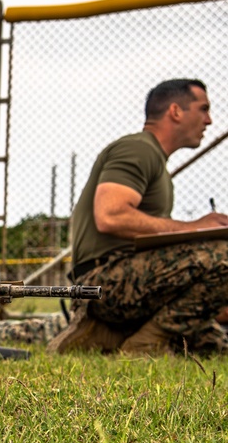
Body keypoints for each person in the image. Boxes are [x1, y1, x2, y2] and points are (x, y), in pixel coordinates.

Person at [48, 78, 228, 355]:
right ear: (176, 111)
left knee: (215, 347)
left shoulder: (154, 159)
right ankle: (147, 344)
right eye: (203, 109)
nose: (209, 120)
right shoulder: (139, 149)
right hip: (104, 283)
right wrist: (193, 228)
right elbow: (110, 215)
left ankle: (110, 335)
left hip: (125, 282)